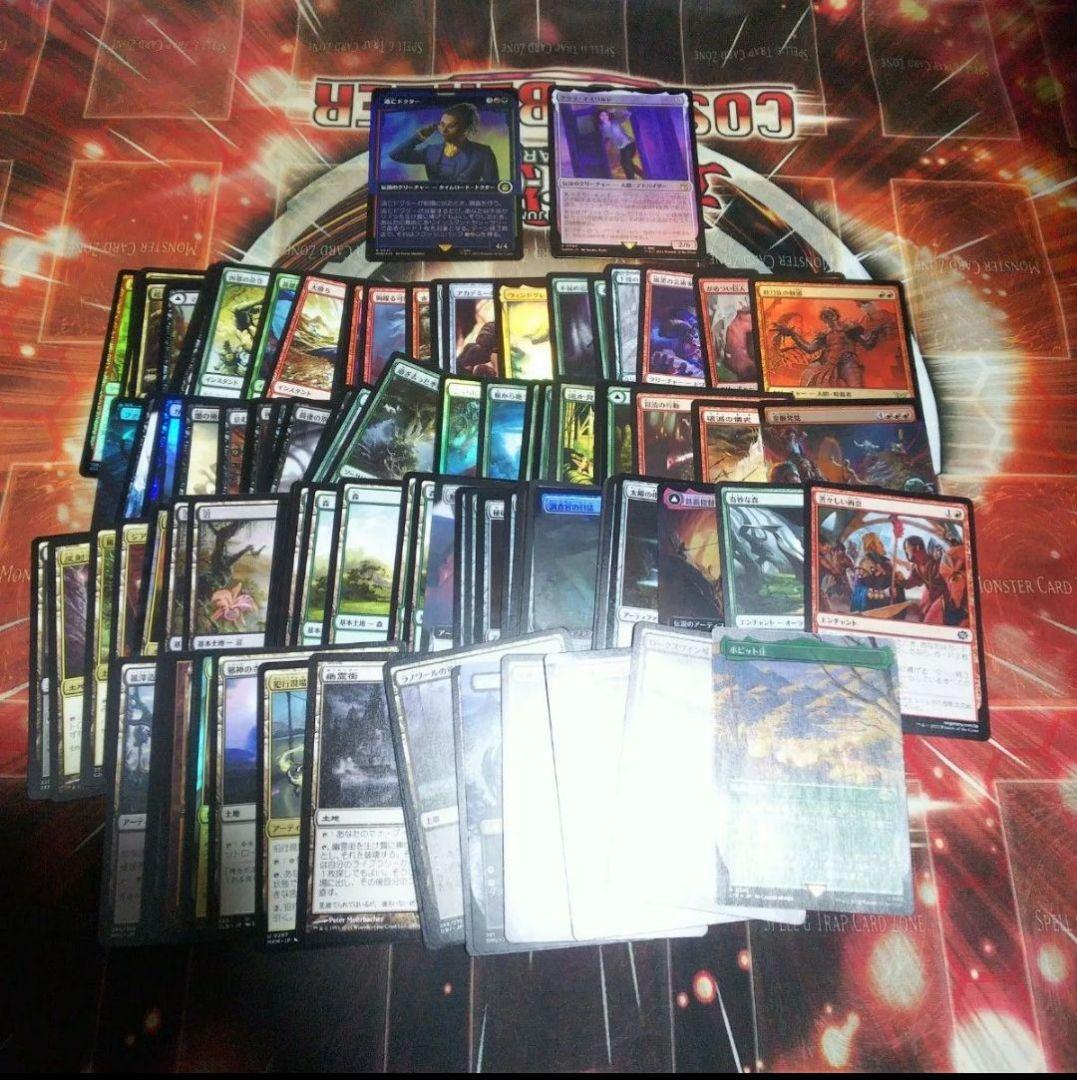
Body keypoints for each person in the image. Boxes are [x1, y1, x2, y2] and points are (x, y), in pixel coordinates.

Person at [772, 306, 890, 388]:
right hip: (826, 364)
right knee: (807, 376)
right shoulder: (824, 335)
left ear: (836, 316)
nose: (829, 317)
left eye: (830, 314)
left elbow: (868, 344)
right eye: (826, 316)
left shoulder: (850, 328)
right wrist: (793, 335)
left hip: (847, 362)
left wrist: (876, 333)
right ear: (824, 320)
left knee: (856, 386)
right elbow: (810, 348)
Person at [388, 102, 498, 184]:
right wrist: (419, 137)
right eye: (442, 124)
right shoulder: (431, 151)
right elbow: (396, 155)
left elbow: (493, 190)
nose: (444, 130)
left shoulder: (483, 153)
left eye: (451, 126)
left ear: (465, 128)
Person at [597, 108, 641, 180]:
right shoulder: (601, 128)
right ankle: (643, 174)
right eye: (602, 115)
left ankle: (631, 181)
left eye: (605, 115)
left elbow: (628, 114)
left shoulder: (615, 122)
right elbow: (603, 139)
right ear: (599, 117)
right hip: (621, 148)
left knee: (626, 162)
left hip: (629, 144)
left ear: (608, 116)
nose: (604, 117)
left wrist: (615, 110)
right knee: (625, 163)